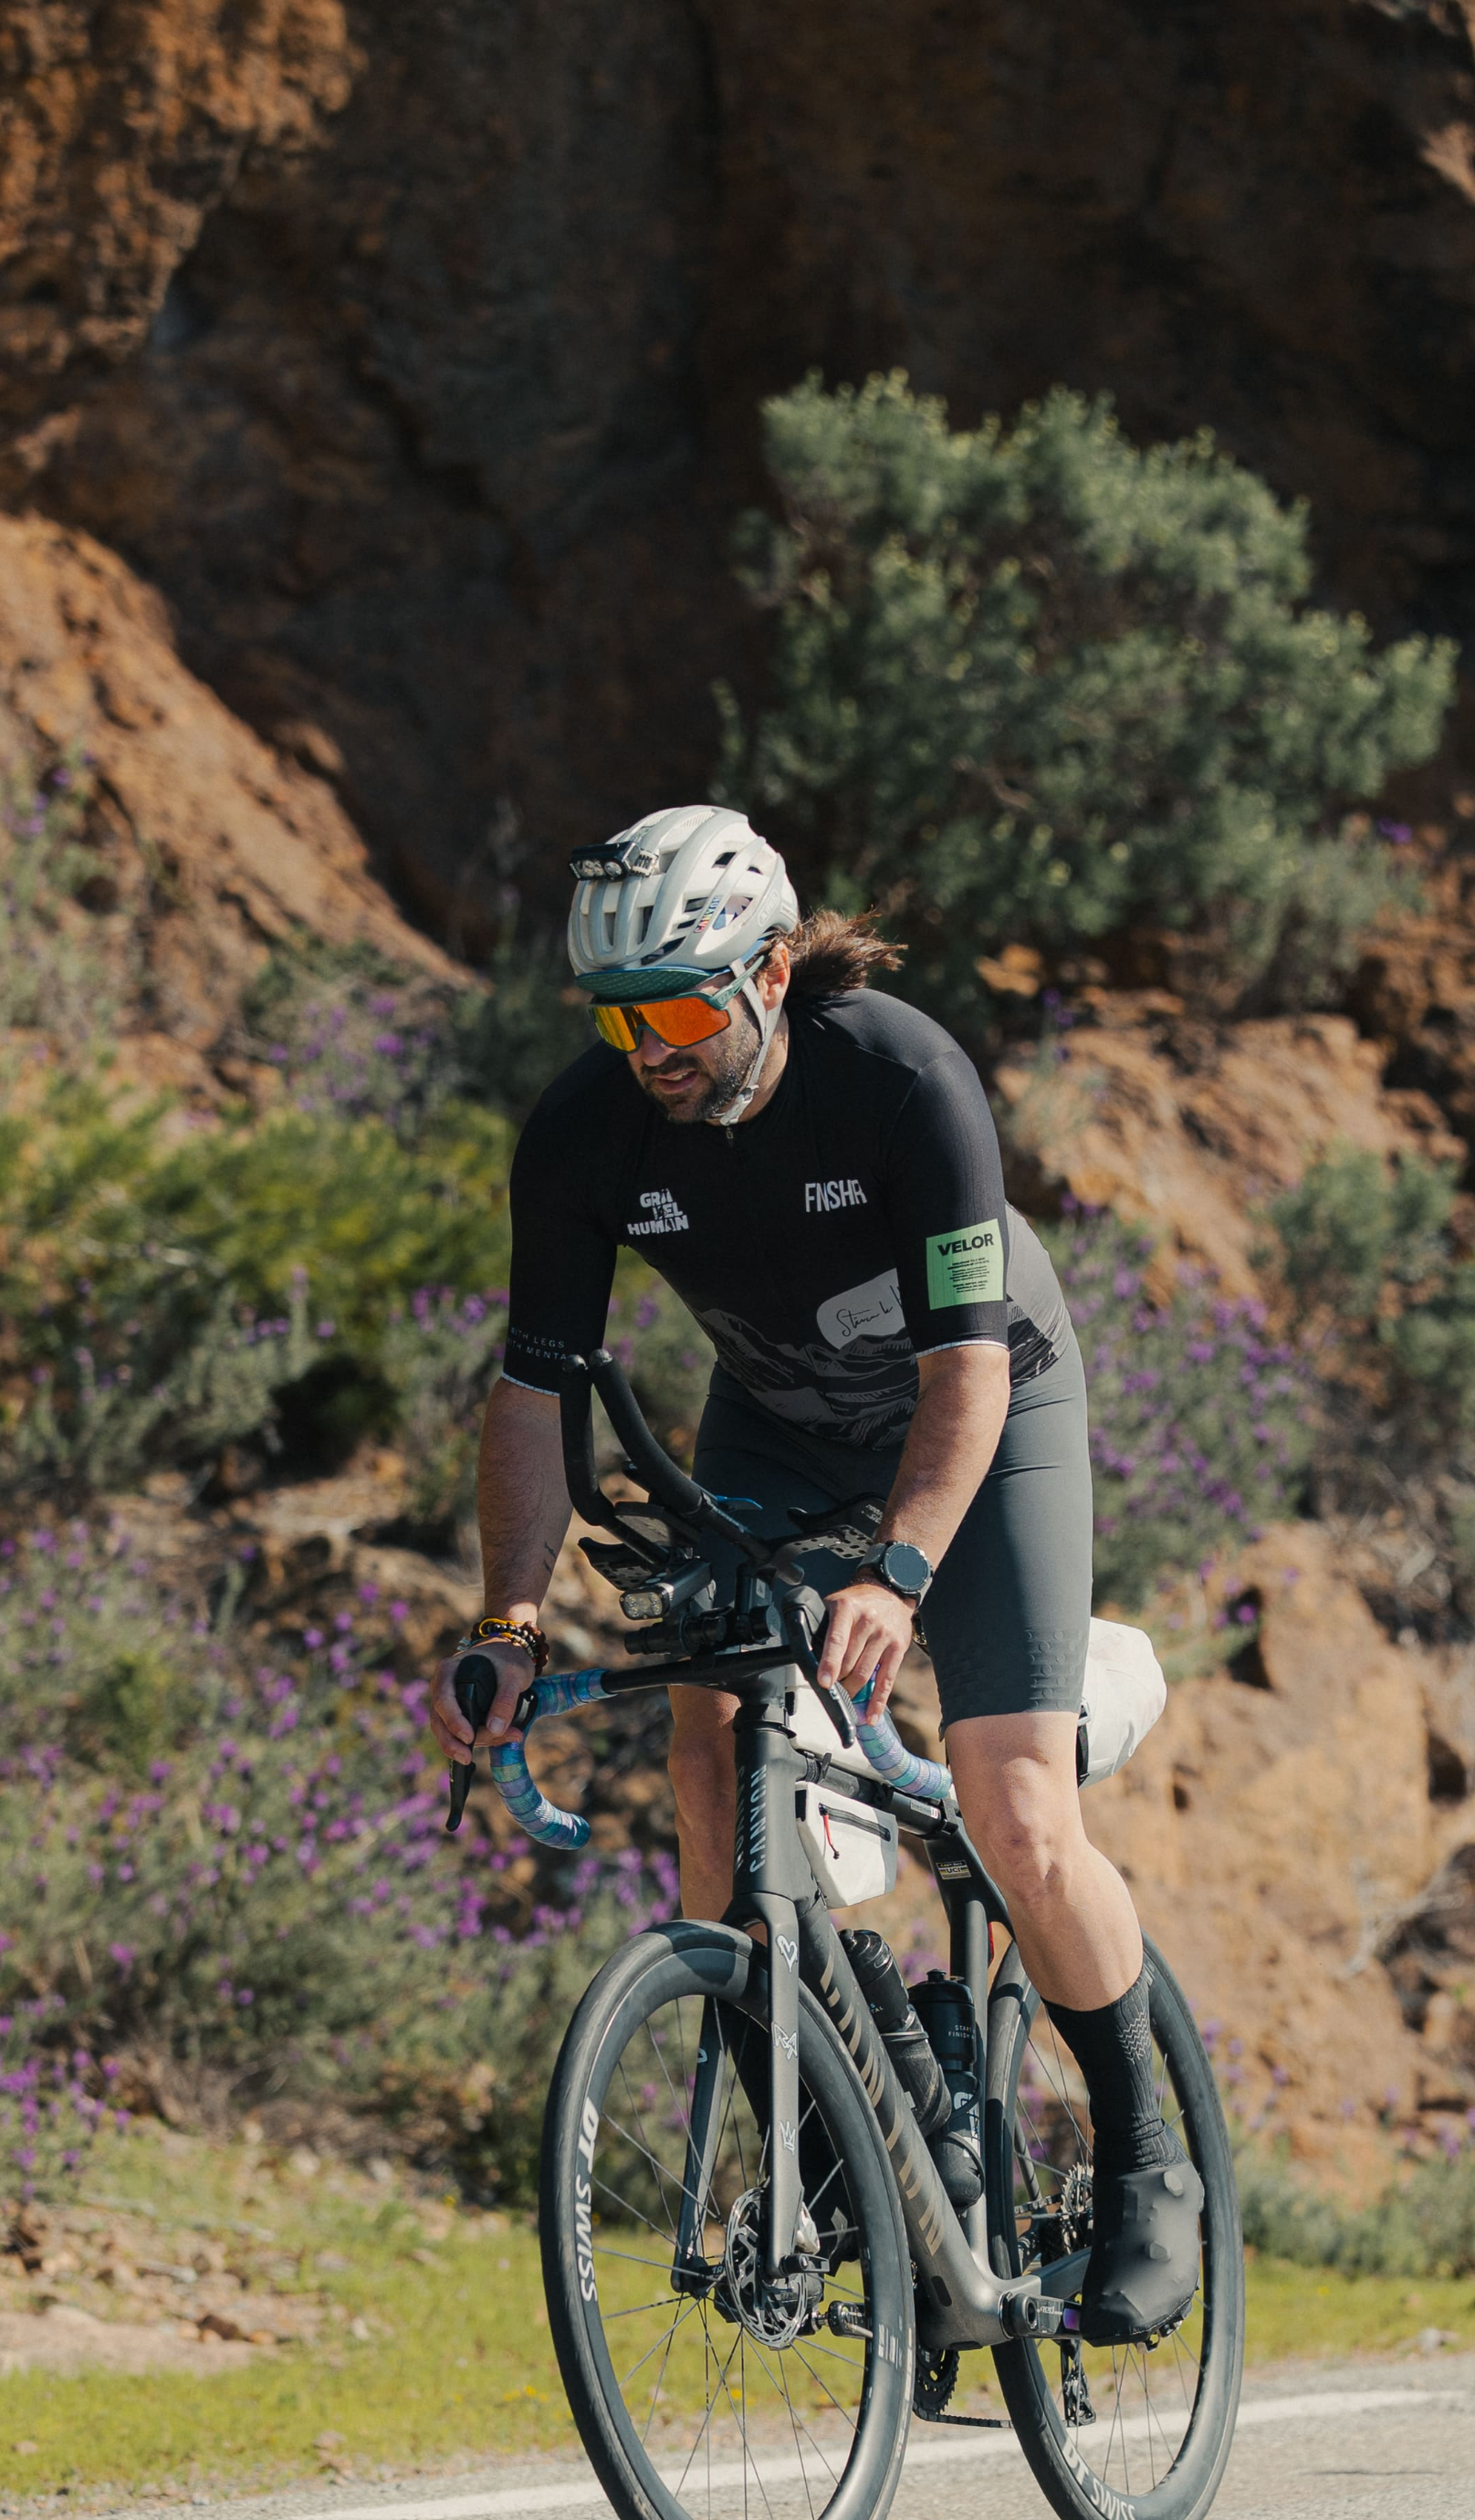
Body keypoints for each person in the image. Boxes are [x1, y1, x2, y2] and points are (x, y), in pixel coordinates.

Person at [426, 803, 1200, 2338]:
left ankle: (1144, 2162)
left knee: (1018, 1808)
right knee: (711, 1746)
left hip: (981, 1408)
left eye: (676, 1008)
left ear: (772, 973)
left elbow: (968, 1374)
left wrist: (900, 1572)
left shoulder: (900, 1078)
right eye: (616, 1014)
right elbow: (533, 1396)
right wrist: (507, 1623)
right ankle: (863, 2103)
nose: (645, 1046)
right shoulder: (586, 1135)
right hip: (781, 1430)